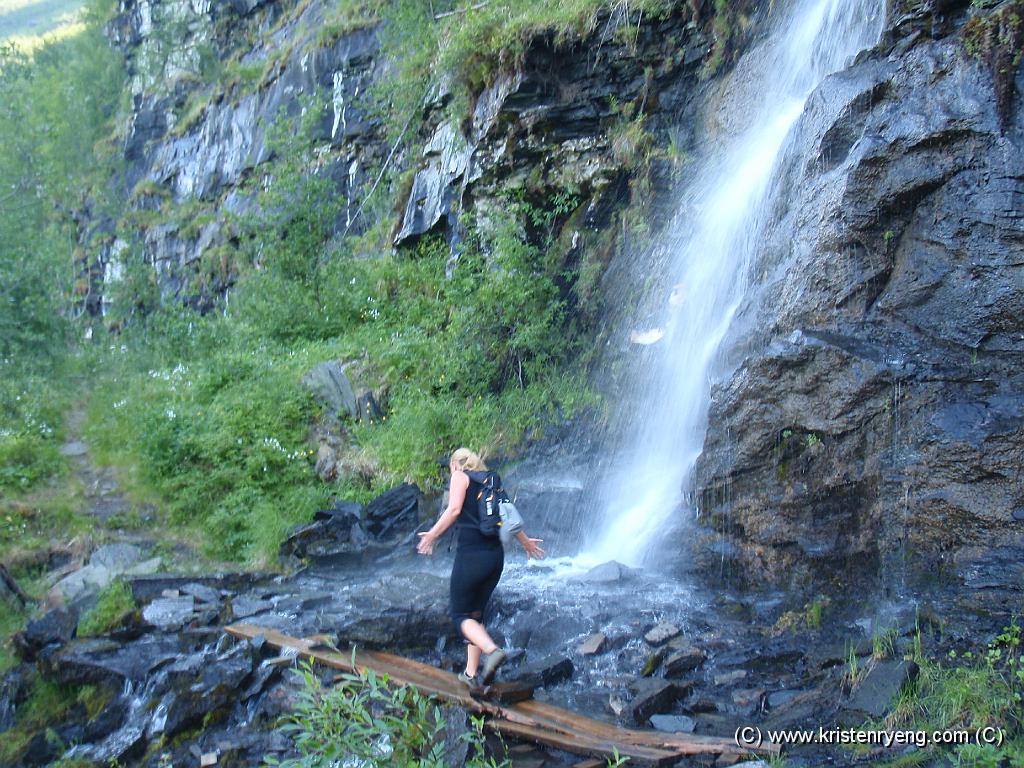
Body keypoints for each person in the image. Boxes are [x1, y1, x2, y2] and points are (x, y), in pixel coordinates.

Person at [416, 447, 545, 688]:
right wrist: (527, 544)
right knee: (475, 615)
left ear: (456, 464)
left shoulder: (459, 476)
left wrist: (432, 535)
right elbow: (511, 518)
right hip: (495, 559)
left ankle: (492, 650)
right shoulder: (492, 482)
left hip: (471, 558)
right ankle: (471, 673)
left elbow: (454, 509)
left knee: (459, 615)